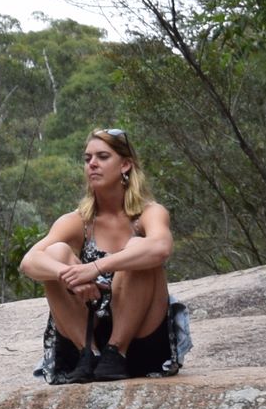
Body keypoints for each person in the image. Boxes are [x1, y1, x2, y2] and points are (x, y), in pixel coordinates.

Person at [18, 127, 185, 383]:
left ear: (125, 165)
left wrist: (95, 268)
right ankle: (91, 353)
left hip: (139, 340)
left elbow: (161, 248)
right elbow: (29, 261)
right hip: (87, 337)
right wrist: (71, 276)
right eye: (88, 159)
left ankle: (116, 350)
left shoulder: (149, 213)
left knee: (138, 249)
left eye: (103, 157)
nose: (92, 164)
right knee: (55, 252)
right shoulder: (79, 221)